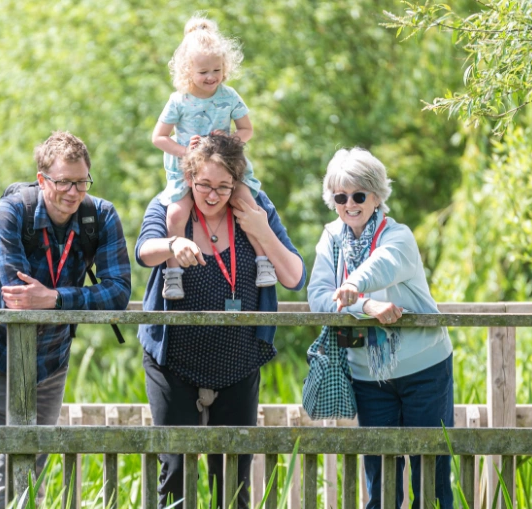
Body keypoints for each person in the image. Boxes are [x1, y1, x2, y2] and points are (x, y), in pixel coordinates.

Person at [134, 133, 305, 508]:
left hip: (238, 360)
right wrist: (172, 245)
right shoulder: (170, 206)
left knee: (233, 480)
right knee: (175, 473)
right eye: (204, 185)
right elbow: (143, 251)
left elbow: (294, 276)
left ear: (237, 183)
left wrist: (262, 232)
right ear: (189, 178)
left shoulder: (255, 208)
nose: (212, 196)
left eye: (223, 188)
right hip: (173, 361)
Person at [0, 131, 131, 508]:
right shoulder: (11, 211)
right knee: (2, 455)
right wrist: (59, 300)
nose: (73, 193)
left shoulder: (100, 216)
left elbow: (119, 292)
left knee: (37, 456)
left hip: (53, 354)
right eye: (63, 182)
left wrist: (55, 298)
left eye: (81, 182)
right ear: (42, 180)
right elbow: (16, 295)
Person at [306, 147, 454, 509]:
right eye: (340, 197)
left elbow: (381, 266)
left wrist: (353, 287)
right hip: (367, 374)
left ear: (376, 196)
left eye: (358, 195)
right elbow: (318, 296)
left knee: (430, 477)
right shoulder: (330, 238)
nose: (349, 204)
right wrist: (367, 305)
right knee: (382, 483)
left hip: (424, 368)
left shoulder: (398, 236)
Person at [150, 15, 276, 300]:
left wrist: (231, 139)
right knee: (176, 214)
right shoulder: (179, 101)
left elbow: (247, 130)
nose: (211, 77)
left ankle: (263, 261)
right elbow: (158, 137)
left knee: (248, 204)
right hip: (188, 171)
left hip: (227, 166)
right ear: (187, 70)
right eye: (203, 72)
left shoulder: (229, 96)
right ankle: (173, 274)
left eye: (217, 70)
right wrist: (186, 150)